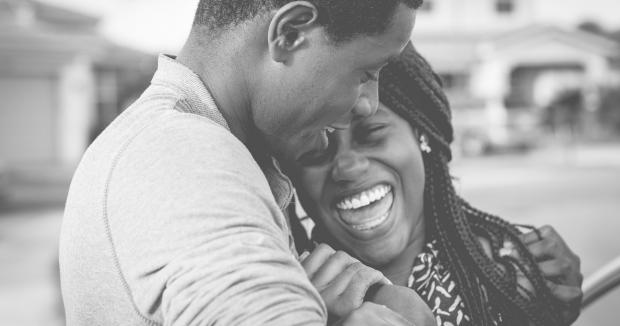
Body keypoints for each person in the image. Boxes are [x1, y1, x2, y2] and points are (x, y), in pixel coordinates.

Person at [59, 0, 422, 325]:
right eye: (365, 73)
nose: (367, 103)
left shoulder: (177, 143)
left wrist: (375, 297)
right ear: (290, 33)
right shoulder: (182, 156)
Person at [285, 43, 583, 326]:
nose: (347, 166)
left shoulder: (509, 279)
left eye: (373, 133)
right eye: (316, 148)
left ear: (423, 136)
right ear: (291, 176)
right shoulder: (282, 295)